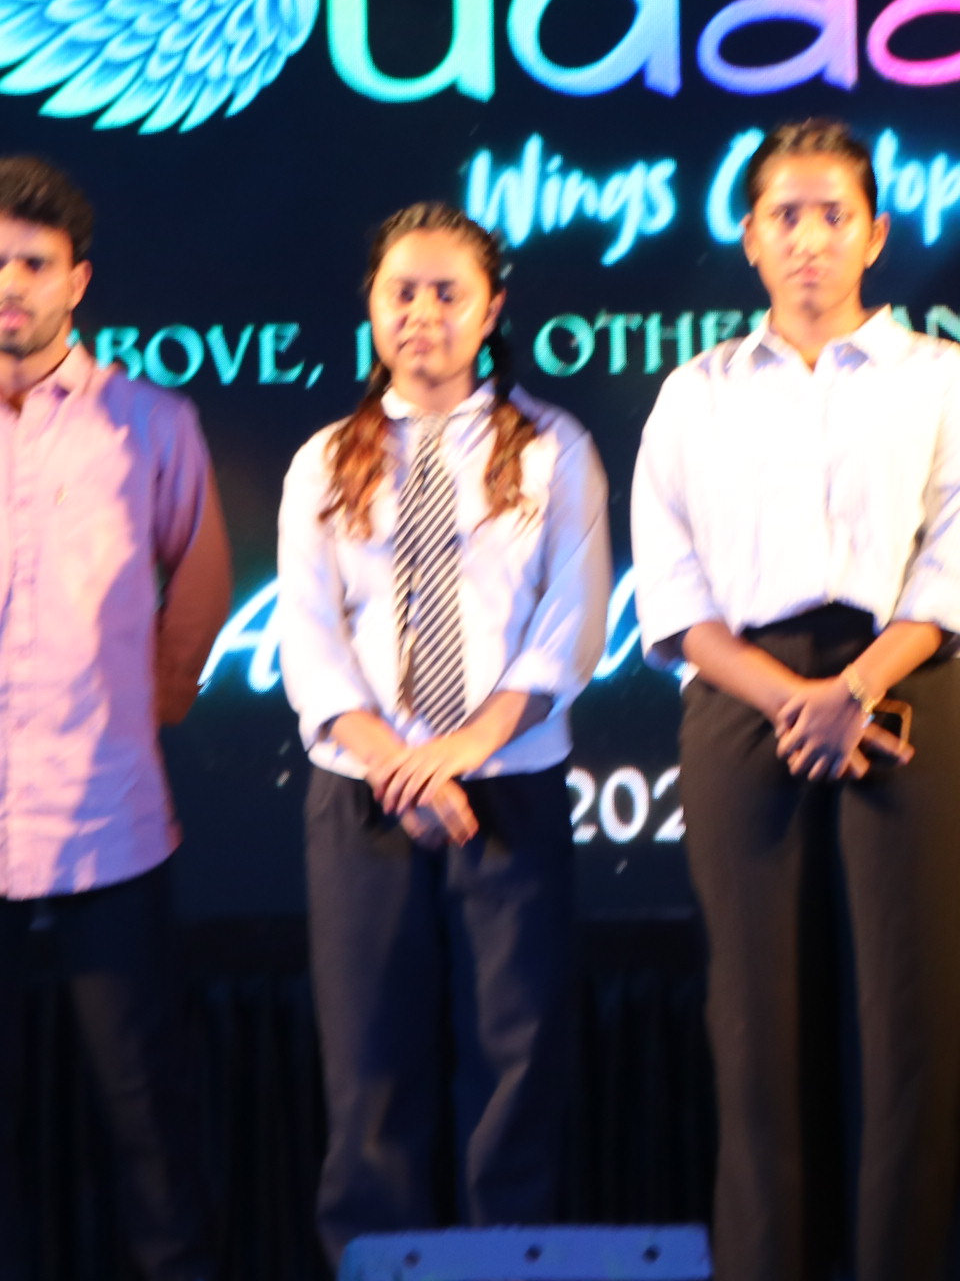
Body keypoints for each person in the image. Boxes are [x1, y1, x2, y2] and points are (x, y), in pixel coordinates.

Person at [631, 118, 960, 1281]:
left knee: (915, 1030)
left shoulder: (937, 376)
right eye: (784, 216)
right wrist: (793, 697)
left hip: (906, 691)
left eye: (833, 215)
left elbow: (958, 568)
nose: (809, 239)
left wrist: (854, 688)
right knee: (756, 1034)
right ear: (748, 236)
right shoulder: (696, 392)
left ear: (875, 234)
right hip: (746, 699)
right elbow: (673, 593)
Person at [0, 156, 234, 1281]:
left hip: (108, 816)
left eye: (35, 263)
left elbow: (197, 587)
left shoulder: (151, 425)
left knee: (149, 1107)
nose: (12, 284)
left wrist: (139, 712)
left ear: (77, 280)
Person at [275, 202, 611, 1260]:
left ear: (492, 308)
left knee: (515, 1058)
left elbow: (571, 622)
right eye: (402, 292)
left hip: (506, 784)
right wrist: (401, 767)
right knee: (369, 1064)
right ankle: (377, 1262)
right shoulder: (325, 458)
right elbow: (309, 638)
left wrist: (461, 753)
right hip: (363, 792)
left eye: (447, 293)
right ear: (372, 306)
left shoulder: (554, 448)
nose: (423, 313)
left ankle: (505, 1261)